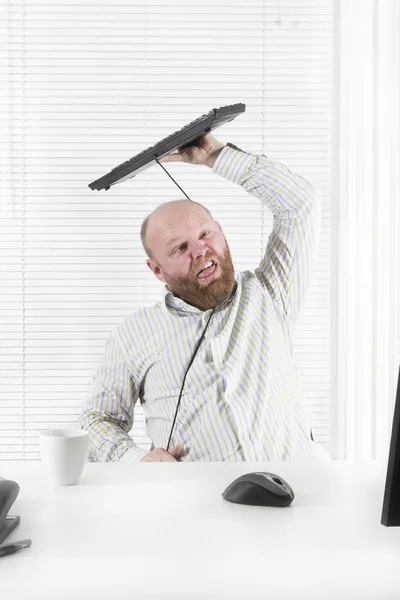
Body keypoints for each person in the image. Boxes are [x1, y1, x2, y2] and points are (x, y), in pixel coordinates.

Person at [79, 133, 331, 462]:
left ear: (221, 232)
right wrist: (136, 460)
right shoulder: (132, 335)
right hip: (197, 505)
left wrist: (218, 156)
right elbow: (98, 420)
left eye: (205, 234)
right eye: (180, 248)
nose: (200, 250)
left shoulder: (270, 293)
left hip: (296, 493)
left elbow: (301, 205)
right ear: (157, 270)